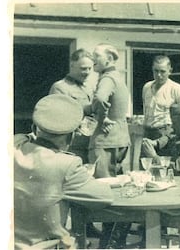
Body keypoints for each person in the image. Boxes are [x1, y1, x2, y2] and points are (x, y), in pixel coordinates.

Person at [14, 94, 114, 249]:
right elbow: (104, 197)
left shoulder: (13, 147)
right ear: (72, 136)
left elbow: (22, 138)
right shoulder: (67, 164)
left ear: (34, 128)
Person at [106, 103, 180, 249]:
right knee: (132, 197)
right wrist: (155, 143)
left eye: (174, 123)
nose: (172, 127)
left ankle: (142, 243)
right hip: (167, 190)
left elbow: (176, 170)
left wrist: (153, 156)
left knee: (139, 202)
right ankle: (118, 243)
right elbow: (168, 138)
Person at [49, 48, 101, 238]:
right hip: (69, 145)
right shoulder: (60, 87)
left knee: (84, 184)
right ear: (72, 65)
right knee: (66, 188)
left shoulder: (88, 87)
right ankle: (62, 230)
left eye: (89, 69)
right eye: (83, 68)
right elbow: (57, 115)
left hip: (87, 142)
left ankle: (85, 227)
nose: (87, 72)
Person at [89, 43, 130, 178]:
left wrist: (102, 118)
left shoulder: (108, 78)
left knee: (103, 185)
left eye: (97, 56)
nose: (93, 59)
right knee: (115, 184)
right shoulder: (117, 76)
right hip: (120, 138)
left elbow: (100, 98)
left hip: (106, 141)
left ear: (109, 58)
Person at [142, 55, 180, 141]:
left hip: (165, 133)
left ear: (170, 71)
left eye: (162, 71)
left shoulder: (176, 89)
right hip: (148, 132)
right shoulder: (147, 87)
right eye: (156, 71)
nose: (159, 75)